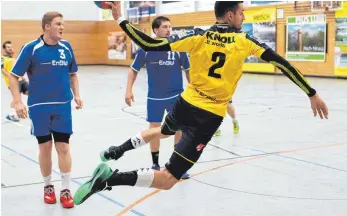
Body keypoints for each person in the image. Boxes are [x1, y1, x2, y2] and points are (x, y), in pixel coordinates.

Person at [73, 1, 328, 205]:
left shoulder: (199, 36)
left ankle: (118, 150)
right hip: (209, 116)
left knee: (163, 131)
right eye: (242, 13)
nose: (244, 18)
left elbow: (148, 43)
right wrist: (311, 92)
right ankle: (110, 180)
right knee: (169, 178)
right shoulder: (245, 41)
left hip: (185, 103)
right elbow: (282, 64)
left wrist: (120, 17)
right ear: (229, 15)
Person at [9, 11, 83, 209]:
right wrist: (17, 102)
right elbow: (13, 75)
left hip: (62, 106)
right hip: (39, 107)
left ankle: (66, 189)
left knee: (64, 147)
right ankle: (48, 185)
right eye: (58, 24)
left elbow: (73, 74)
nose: (62, 27)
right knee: (45, 147)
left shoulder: (66, 47)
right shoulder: (32, 49)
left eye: (63, 24)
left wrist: (76, 95)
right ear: (47, 26)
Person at [122, 16, 190, 178]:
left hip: (176, 95)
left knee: (179, 128)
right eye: (165, 27)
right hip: (155, 97)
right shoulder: (146, 49)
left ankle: (178, 165)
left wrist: (193, 89)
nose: (168, 30)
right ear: (155, 30)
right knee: (154, 130)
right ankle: (155, 162)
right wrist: (128, 90)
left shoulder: (178, 47)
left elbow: (188, 69)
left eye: (170, 27)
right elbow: (133, 70)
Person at [1, 41, 29, 122]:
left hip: (21, 80)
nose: (10, 48)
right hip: (12, 82)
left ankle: (31, 109)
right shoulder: (2, 58)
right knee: (16, 98)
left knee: (30, 92)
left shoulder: (13, 58)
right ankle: (11, 114)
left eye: (11, 47)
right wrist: (11, 77)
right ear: (4, 49)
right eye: (8, 47)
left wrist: (23, 76)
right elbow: (2, 70)